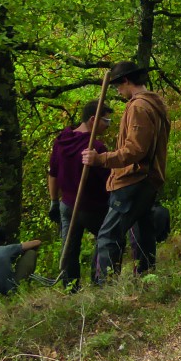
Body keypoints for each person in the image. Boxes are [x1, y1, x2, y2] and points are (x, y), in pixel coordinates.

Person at [82, 61, 170, 283]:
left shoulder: (139, 107)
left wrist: (100, 159)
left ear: (126, 81)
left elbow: (135, 150)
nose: (117, 91)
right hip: (147, 179)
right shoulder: (154, 104)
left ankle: (104, 287)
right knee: (142, 233)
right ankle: (146, 280)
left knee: (108, 235)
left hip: (134, 180)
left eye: (117, 86)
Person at [48, 100, 114, 291]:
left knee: (69, 247)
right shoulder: (96, 149)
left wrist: (54, 200)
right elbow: (109, 179)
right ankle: (99, 279)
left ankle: (71, 288)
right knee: (106, 237)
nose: (108, 126)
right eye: (106, 121)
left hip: (66, 205)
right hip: (92, 207)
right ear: (93, 119)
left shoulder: (62, 140)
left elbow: (52, 174)